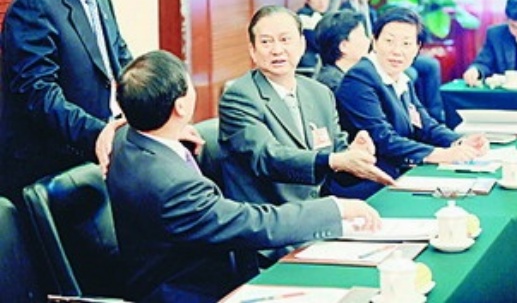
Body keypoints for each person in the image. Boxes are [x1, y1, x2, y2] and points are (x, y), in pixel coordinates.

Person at [107, 50, 381, 303]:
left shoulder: (124, 139)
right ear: (180, 106)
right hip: (194, 290)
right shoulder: (174, 186)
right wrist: (334, 209)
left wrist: (176, 131)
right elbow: (255, 223)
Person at [218, 5, 394, 260]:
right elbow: (268, 158)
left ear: (301, 44)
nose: (277, 49)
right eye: (266, 42)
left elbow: (335, 158)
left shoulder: (319, 93)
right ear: (253, 51)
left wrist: (356, 156)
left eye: (285, 39)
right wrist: (336, 160)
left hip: (318, 227)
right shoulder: (240, 96)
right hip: (270, 237)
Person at [0, 0, 133, 205]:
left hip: (96, 155)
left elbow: (123, 64)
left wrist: (155, 114)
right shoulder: (34, 4)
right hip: (52, 168)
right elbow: (39, 95)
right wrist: (99, 134)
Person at [331, 7, 488, 199]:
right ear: (375, 41)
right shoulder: (360, 78)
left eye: (406, 43)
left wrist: (458, 140)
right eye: (389, 41)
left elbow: (425, 124)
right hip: (369, 185)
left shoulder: (401, 78)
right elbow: (383, 139)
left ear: (417, 48)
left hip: (399, 175)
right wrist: (439, 154)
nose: (397, 51)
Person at [341, 0, 445, 120]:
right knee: (411, 72)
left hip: (385, 55)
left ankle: (436, 113)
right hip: (373, 55)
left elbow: (426, 125)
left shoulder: (371, 10)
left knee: (431, 65)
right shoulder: (346, 12)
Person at [314, 10, 371, 92]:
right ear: (343, 46)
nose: (368, 40)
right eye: (362, 35)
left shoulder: (351, 78)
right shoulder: (334, 85)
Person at [296, 0, 330, 70]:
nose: (321, 1)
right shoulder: (304, 17)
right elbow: (317, 45)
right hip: (310, 64)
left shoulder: (328, 15)